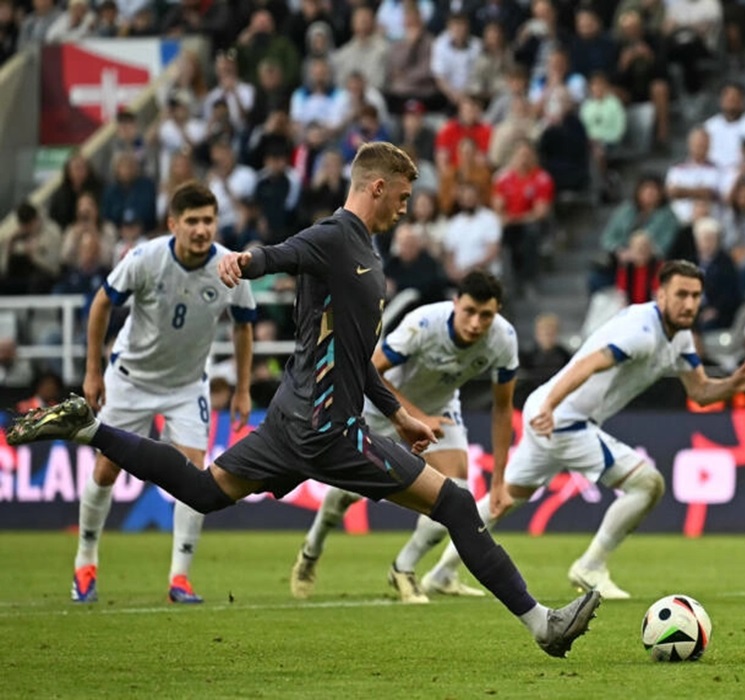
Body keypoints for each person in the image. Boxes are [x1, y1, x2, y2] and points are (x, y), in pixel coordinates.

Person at [8, 143, 599, 658]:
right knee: (456, 505)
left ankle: (88, 429)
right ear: (377, 186)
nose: (406, 204)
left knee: (204, 490)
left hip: (293, 417)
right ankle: (542, 624)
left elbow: (356, 358)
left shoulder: (364, 250)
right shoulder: (336, 236)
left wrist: (399, 414)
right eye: (402, 193)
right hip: (328, 430)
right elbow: (283, 253)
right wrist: (248, 261)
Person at [419, 261, 745, 599]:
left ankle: (441, 573)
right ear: (660, 295)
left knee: (502, 500)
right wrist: (552, 407)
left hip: (551, 414)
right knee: (647, 484)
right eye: (681, 294)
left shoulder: (681, 337)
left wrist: (732, 385)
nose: (689, 303)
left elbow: (700, 392)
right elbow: (586, 364)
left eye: (695, 296)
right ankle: (590, 566)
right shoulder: (641, 332)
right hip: (563, 420)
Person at [71, 181, 257, 604]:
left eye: (208, 220)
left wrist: (244, 389)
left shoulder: (229, 266)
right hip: (130, 380)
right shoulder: (145, 259)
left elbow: (244, 325)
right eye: (191, 221)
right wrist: (93, 371)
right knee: (107, 470)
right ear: (173, 224)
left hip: (187, 385)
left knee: (194, 477)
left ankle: (180, 578)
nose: (201, 229)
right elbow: (102, 303)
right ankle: (85, 562)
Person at [291, 271, 519, 603]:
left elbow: (503, 408)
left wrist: (498, 481)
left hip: (439, 409)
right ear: (455, 303)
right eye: (469, 311)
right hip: (379, 405)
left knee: (457, 496)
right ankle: (311, 550)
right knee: (345, 496)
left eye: (486, 315)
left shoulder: (503, 339)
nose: (475, 323)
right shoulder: (424, 324)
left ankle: (403, 568)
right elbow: (372, 371)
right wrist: (414, 417)